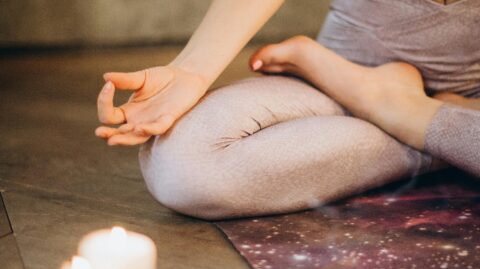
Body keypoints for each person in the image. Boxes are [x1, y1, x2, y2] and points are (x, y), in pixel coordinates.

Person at [95, 0, 480, 220]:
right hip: (337, 76)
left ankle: (405, 110)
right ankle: (429, 121)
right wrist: (192, 70)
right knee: (181, 166)